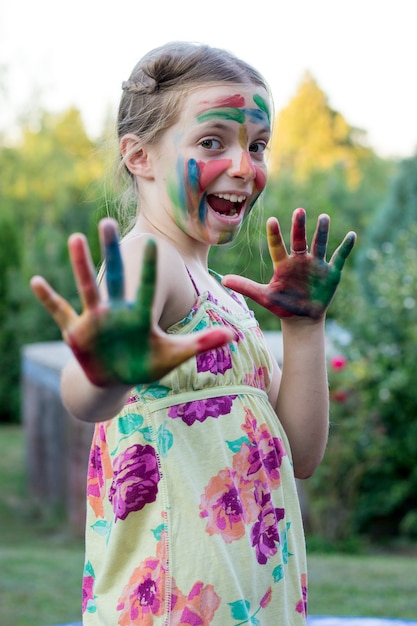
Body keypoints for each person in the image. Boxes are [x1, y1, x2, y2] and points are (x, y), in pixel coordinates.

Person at [30, 41, 356, 626]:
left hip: (250, 601)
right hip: (174, 601)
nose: (243, 166)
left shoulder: (227, 301)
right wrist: (106, 369)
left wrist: (304, 329)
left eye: (257, 146)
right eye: (213, 142)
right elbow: (85, 397)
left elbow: (301, 454)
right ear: (139, 157)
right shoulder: (144, 260)